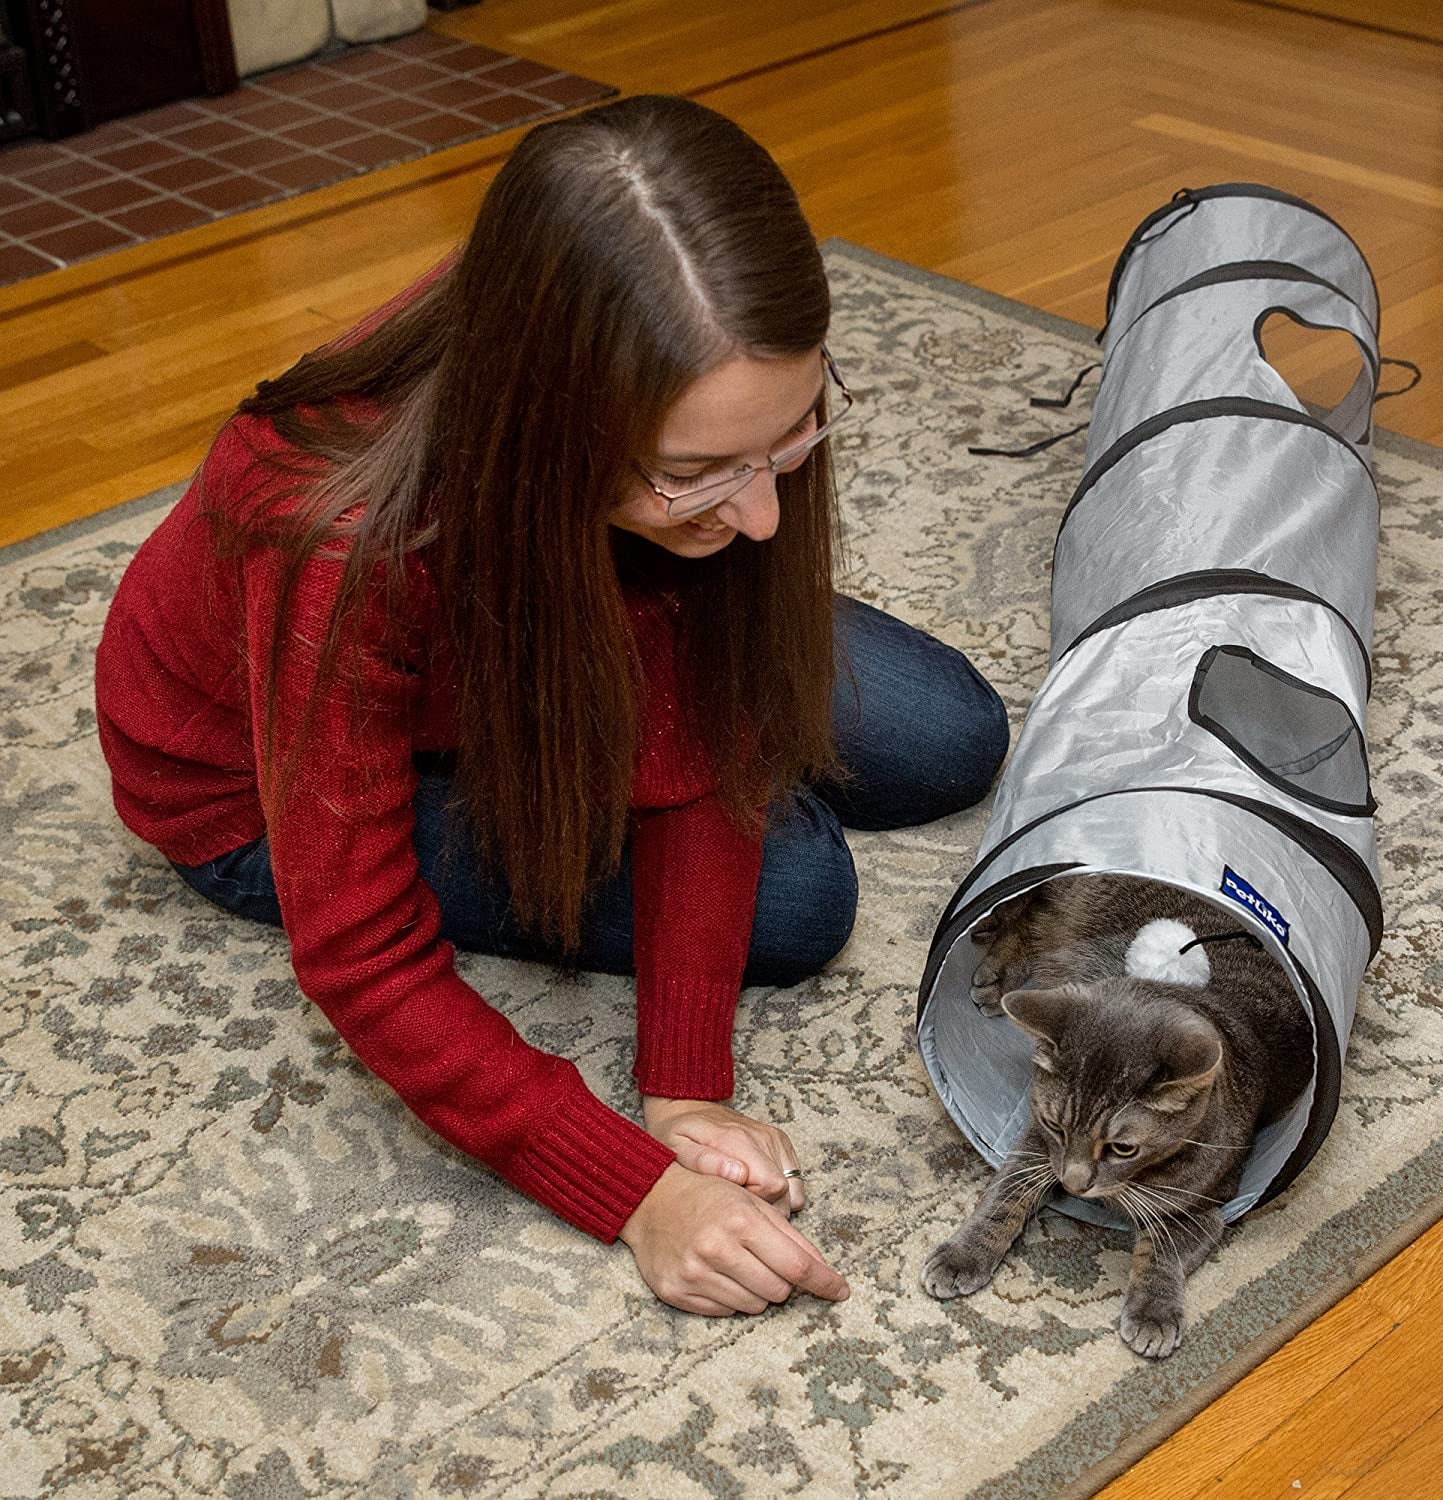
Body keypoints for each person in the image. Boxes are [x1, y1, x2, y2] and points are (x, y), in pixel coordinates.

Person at [93, 94, 1008, 1319]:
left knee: (952, 731)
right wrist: (638, 1188)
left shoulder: (698, 386)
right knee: (799, 892)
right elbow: (358, 951)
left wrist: (687, 1077)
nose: (765, 521)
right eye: (697, 475)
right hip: (241, 785)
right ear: (553, 432)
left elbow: (718, 710)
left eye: (791, 439)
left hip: (548, 624)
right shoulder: (342, 534)